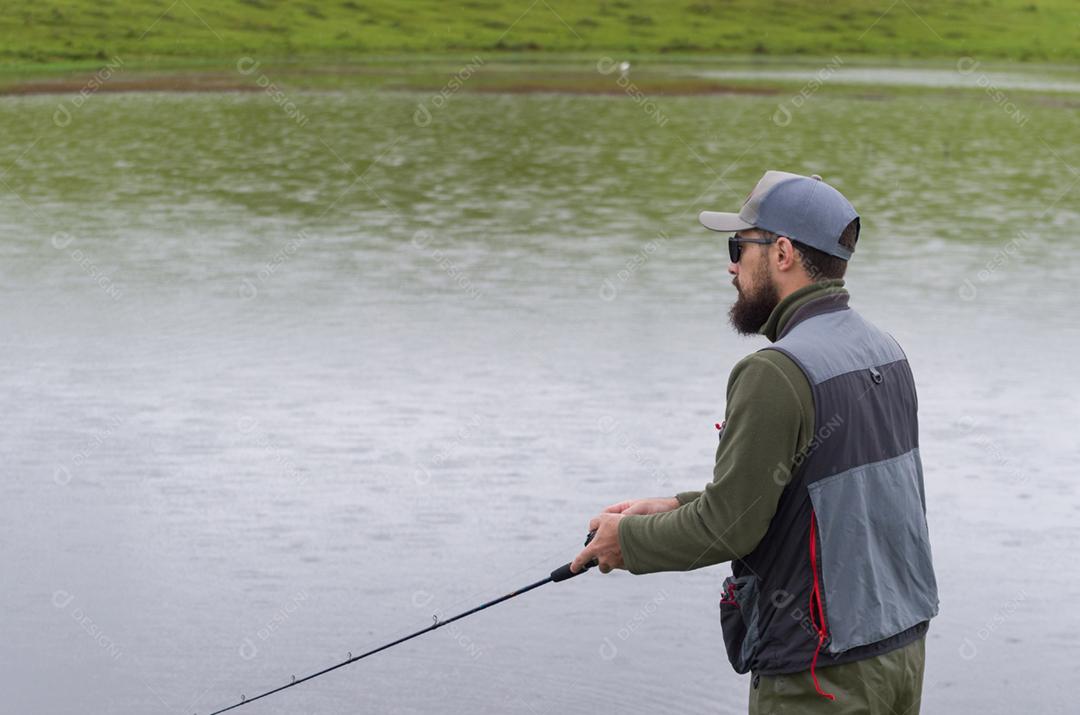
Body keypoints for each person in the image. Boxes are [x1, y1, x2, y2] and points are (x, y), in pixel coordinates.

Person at [571, 170, 939, 714]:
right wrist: (672, 505)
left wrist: (626, 542)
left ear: (783, 252)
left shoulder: (776, 371)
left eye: (740, 246)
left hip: (820, 676)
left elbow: (730, 526)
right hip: (901, 655)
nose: (731, 264)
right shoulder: (885, 351)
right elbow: (809, 495)